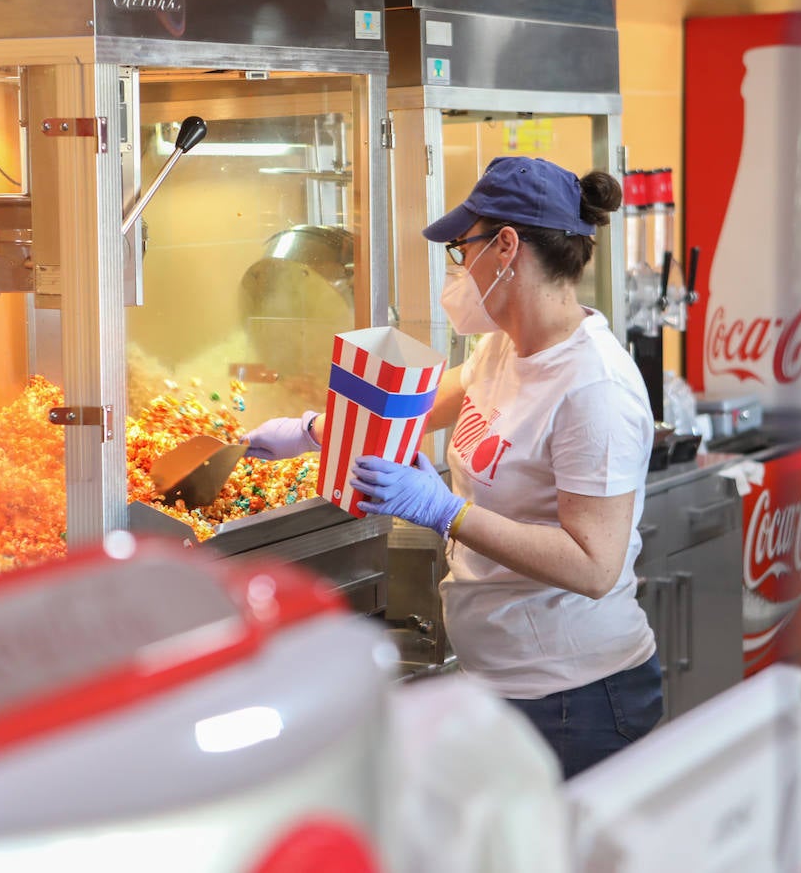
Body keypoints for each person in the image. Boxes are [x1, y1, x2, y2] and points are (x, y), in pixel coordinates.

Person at [243, 157, 662, 779]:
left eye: (462, 252)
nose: (458, 271)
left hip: (576, 699)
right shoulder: (502, 347)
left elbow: (595, 565)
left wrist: (444, 510)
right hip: (501, 683)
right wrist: (312, 431)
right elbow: (420, 406)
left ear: (507, 247)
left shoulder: (592, 387)